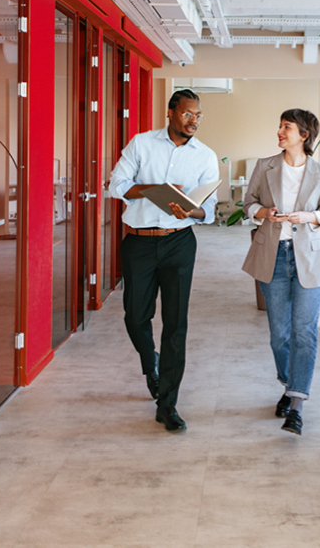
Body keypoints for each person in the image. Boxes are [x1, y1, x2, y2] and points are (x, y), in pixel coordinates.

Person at [109, 89, 219, 432]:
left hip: (179, 243)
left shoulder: (206, 156)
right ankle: (150, 362)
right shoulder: (141, 144)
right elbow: (116, 185)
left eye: (198, 116)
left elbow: (209, 212)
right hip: (139, 243)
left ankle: (167, 403)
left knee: (175, 324)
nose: (194, 121)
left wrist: (193, 208)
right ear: (171, 112)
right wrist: (154, 188)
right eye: (188, 114)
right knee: (135, 317)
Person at [242, 109, 320, 436]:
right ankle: (289, 384)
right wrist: (264, 212)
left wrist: (309, 217)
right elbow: (248, 205)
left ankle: (296, 405)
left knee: (304, 332)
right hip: (274, 256)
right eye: (280, 126)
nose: (280, 131)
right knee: (280, 334)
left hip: (308, 258)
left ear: (304, 135)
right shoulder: (264, 166)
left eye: (287, 127)